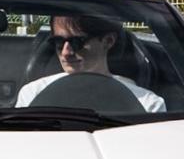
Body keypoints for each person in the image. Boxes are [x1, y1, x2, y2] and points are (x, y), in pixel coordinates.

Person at [15, 10, 165, 113]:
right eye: (58, 42)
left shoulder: (148, 105)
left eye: (77, 42)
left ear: (108, 41)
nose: (66, 52)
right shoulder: (31, 95)